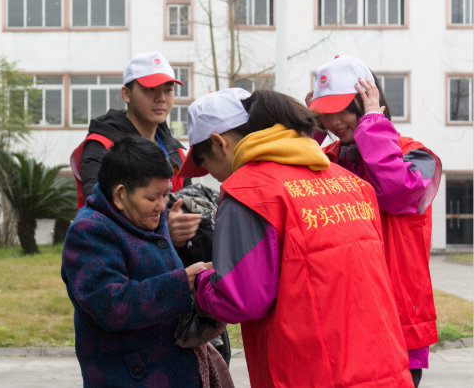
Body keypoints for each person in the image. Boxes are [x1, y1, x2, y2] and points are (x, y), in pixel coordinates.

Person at [178, 88, 414, 388]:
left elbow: (241, 300)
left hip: (310, 373)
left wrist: (202, 282)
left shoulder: (247, 193)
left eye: (204, 163)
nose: (211, 175)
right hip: (385, 369)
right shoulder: (351, 183)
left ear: (218, 143)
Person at [308, 54, 442, 388]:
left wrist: (371, 125)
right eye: (326, 112)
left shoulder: (417, 156)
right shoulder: (324, 159)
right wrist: (308, 132)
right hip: (340, 316)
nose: (336, 121)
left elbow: (398, 191)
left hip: (396, 318)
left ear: (368, 102)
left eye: (344, 109)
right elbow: (290, 186)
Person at [61, 136, 232, 388]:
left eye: (166, 195)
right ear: (120, 194)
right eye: (153, 198)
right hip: (131, 376)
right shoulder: (88, 232)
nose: (162, 206)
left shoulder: (149, 217)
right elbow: (111, 305)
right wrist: (183, 284)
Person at [70, 51, 201, 247]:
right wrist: (165, 229)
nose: (161, 98)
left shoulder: (176, 152)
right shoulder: (102, 146)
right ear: (126, 93)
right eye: (150, 89)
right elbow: (99, 209)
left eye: (168, 90)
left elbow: (187, 204)